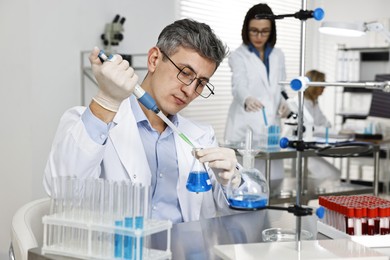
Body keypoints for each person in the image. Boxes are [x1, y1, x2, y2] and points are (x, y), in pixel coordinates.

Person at [43, 19, 241, 223]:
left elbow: (233, 214)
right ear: (154, 59)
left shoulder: (201, 137)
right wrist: (106, 100)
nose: (190, 91)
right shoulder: (91, 124)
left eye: (201, 83)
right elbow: (61, 191)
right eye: (185, 73)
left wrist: (232, 182)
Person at [224, 3, 289, 189]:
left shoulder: (278, 55)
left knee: (274, 182)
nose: (259, 36)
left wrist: (285, 103)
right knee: (244, 184)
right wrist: (246, 98)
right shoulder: (238, 56)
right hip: (246, 128)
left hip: (271, 129)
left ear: (272, 31)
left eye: (264, 31)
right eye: (254, 31)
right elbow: (239, 85)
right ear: (246, 29)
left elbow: (282, 86)